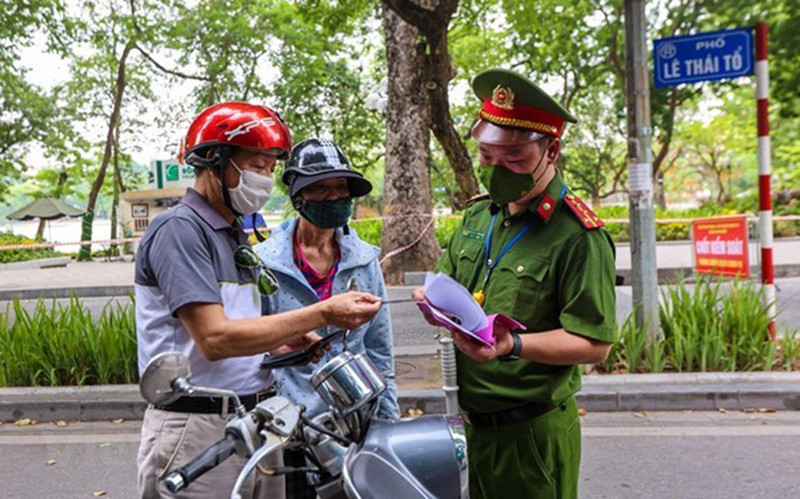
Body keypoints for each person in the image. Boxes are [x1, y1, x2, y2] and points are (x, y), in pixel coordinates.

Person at [135, 103, 382, 498]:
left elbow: (236, 332)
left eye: (270, 169)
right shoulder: (180, 230)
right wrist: (321, 313)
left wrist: (284, 343)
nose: (265, 179)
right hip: (199, 428)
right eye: (256, 166)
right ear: (215, 161)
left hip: (256, 421)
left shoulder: (231, 233)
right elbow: (215, 340)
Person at [413, 69, 616, 498]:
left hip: (532, 436)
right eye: (487, 157)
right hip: (472, 428)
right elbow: (448, 282)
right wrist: (433, 304)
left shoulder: (578, 236)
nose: (497, 170)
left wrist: (513, 345)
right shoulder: (478, 216)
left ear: (551, 151)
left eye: (514, 159)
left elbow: (594, 343)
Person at [255, 138, 400, 498]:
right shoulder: (264, 263)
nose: (334, 196)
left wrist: (389, 424)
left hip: (356, 425)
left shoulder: (364, 261)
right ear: (298, 195)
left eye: (341, 187)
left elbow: (379, 350)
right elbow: (253, 341)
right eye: (320, 187)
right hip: (289, 427)